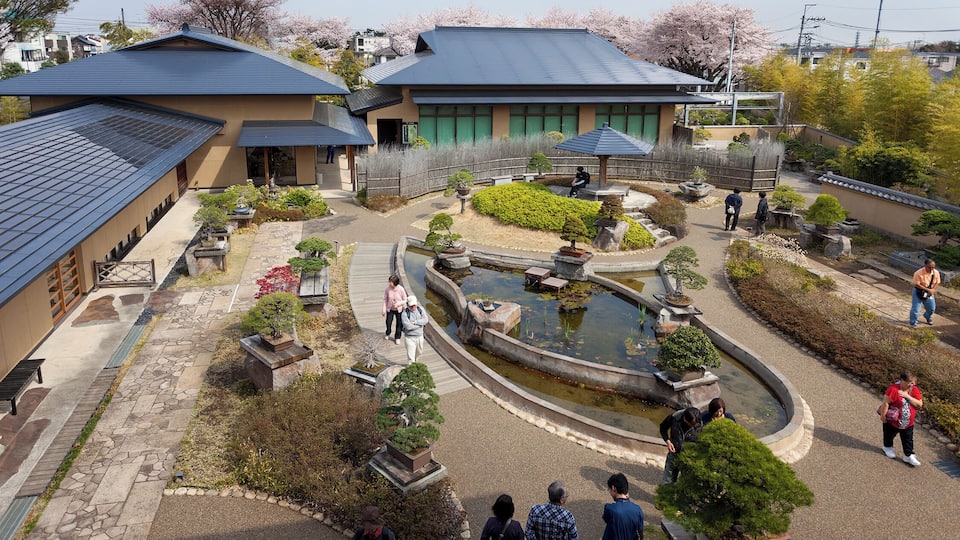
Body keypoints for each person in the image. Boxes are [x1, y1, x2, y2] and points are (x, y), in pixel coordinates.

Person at [879, 371, 923, 467]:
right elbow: (886, 403)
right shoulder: (893, 389)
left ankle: (908, 455)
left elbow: (919, 404)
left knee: (908, 439)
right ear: (902, 380)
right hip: (892, 421)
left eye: (914, 382)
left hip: (908, 422)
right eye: (910, 382)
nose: (913, 384)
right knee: (889, 435)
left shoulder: (914, 390)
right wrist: (883, 416)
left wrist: (907, 396)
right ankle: (887, 447)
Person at [659, 407, 702, 484]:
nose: (693, 426)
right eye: (691, 424)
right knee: (667, 482)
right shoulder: (675, 418)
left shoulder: (700, 424)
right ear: (685, 419)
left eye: (695, 424)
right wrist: (668, 441)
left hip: (689, 458)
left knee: (686, 484)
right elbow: (663, 427)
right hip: (674, 454)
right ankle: (667, 495)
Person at [601, 473, 644, 540]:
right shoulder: (637, 509)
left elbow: (606, 519)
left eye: (609, 490)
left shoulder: (609, 508)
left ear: (613, 488)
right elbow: (640, 532)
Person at [909, 258, 940, 327]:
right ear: (925, 265)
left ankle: (927, 316)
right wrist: (927, 289)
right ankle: (913, 322)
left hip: (929, 292)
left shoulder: (936, 273)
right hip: (918, 291)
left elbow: (937, 282)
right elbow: (917, 284)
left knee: (932, 308)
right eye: (929, 267)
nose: (931, 269)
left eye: (933, 267)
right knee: (916, 308)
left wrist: (932, 290)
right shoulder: (918, 273)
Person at [400, 295, 428, 364]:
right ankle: (412, 369)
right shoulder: (404, 313)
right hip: (409, 337)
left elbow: (426, 320)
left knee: (419, 352)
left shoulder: (420, 309)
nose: (413, 307)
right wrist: (421, 324)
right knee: (411, 358)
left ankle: (416, 360)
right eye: (411, 306)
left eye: (414, 305)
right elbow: (408, 327)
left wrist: (415, 322)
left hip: (420, 336)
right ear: (407, 305)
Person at [381, 275, 407, 344]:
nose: (389, 283)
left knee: (399, 324)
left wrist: (399, 303)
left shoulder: (401, 289)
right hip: (390, 309)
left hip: (399, 309)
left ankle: (397, 337)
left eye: (391, 282)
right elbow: (385, 300)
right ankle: (388, 333)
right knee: (388, 322)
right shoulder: (387, 289)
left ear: (395, 282)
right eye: (389, 281)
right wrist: (384, 309)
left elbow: (405, 300)